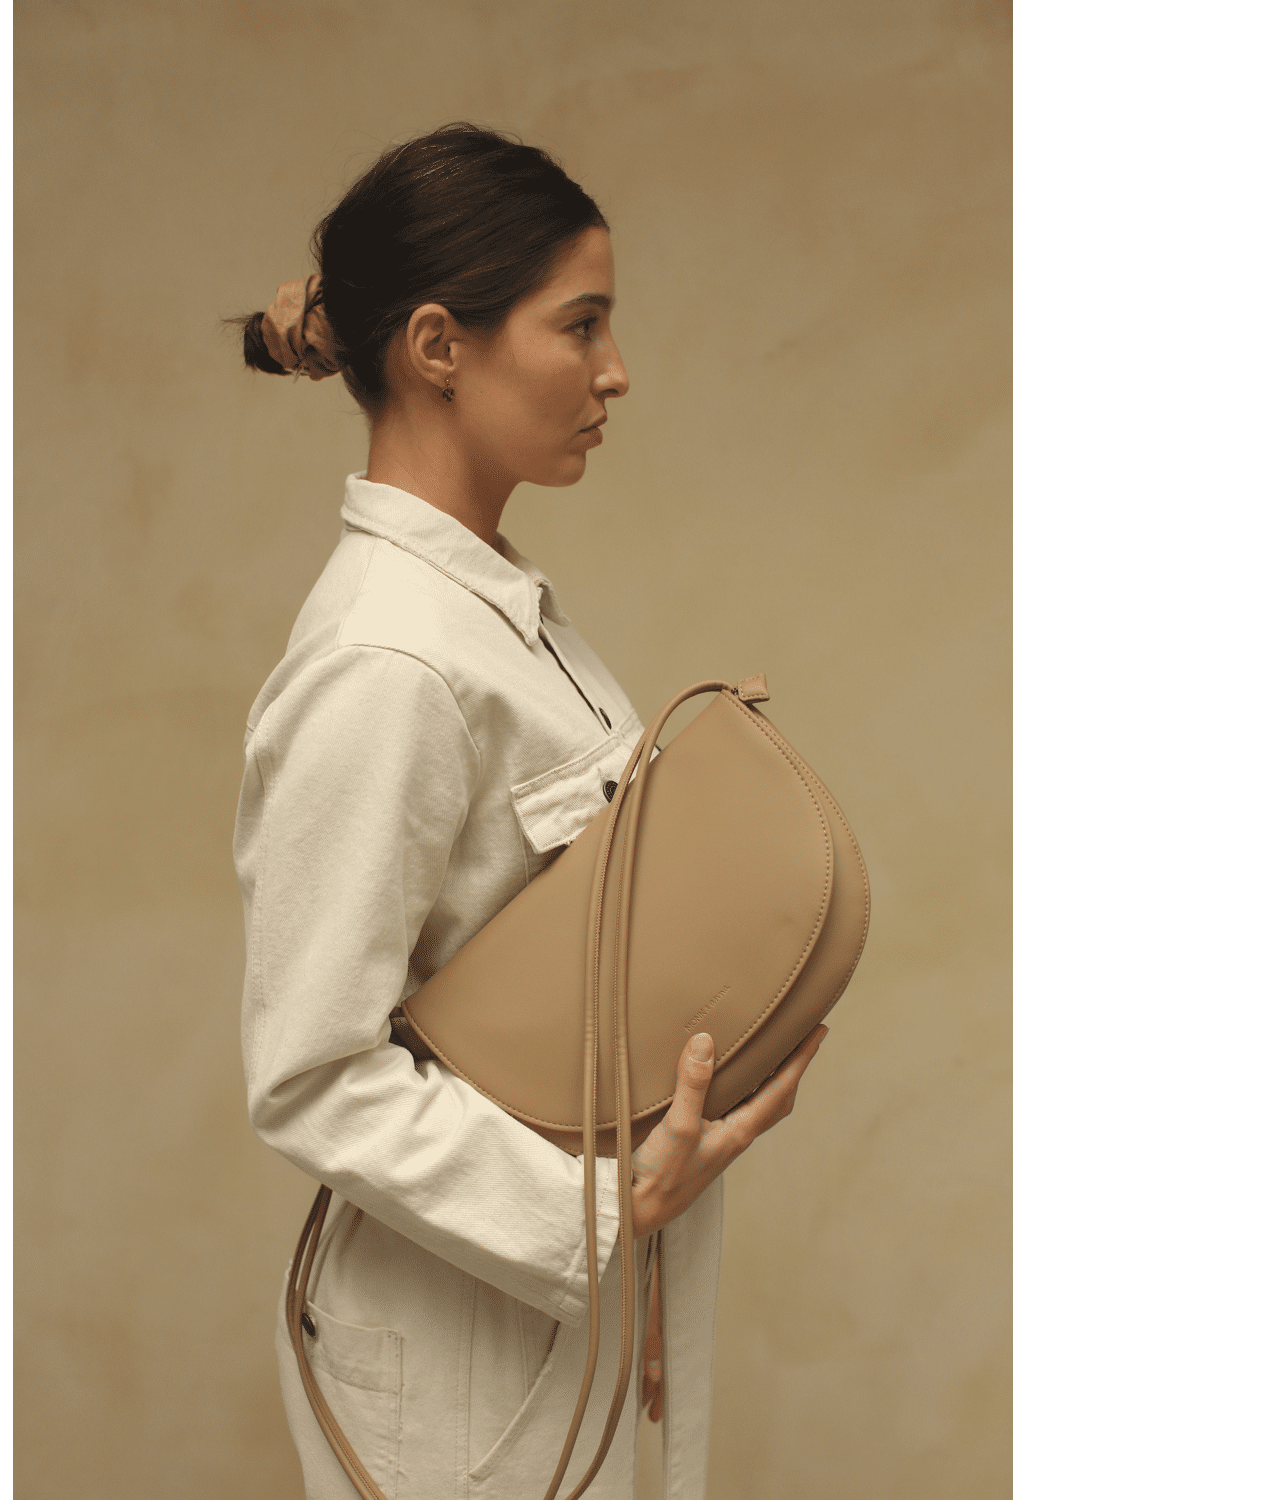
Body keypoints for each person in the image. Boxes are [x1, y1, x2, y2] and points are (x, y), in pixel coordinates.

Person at [232, 123, 826, 1500]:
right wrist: (605, 1215)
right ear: (440, 345)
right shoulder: (387, 659)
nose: (616, 371)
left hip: (543, 1328)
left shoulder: (493, 611)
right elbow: (310, 1070)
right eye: (581, 324)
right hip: (459, 1363)